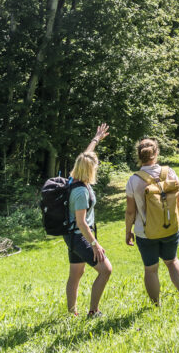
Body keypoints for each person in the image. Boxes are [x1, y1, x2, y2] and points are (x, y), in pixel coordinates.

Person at [124, 137, 179, 305]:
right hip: (170, 227)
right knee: (172, 261)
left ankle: (156, 304)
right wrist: (178, 218)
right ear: (156, 153)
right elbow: (178, 200)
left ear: (138, 156)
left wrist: (128, 232)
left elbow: (130, 212)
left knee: (151, 269)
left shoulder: (133, 180)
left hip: (145, 233)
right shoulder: (170, 172)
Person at [64, 123, 112, 318]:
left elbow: (85, 156)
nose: (97, 167)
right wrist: (95, 245)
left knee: (76, 273)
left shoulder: (73, 179)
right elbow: (82, 222)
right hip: (80, 236)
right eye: (95, 166)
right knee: (106, 270)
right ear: (89, 169)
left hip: (72, 235)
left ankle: (70, 312)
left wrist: (96, 139)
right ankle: (93, 311)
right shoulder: (81, 191)